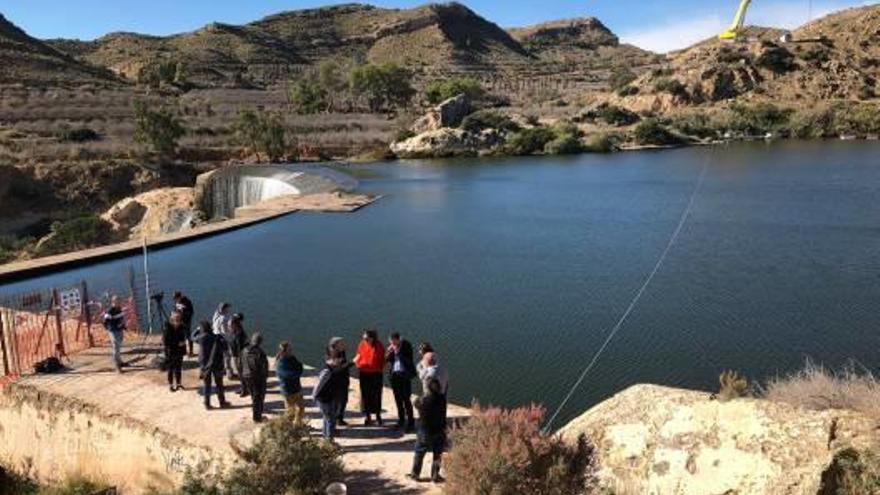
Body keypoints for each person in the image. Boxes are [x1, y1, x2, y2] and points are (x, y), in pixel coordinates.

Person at [407, 378, 448, 483]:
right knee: (437, 453)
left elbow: (415, 403)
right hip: (439, 430)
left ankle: (415, 474)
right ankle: (435, 475)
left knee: (419, 453)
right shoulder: (442, 399)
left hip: (425, 430)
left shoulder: (423, 400)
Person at [313, 349, 349, 440]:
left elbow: (339, 369)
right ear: (333, 359)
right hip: (325, 399)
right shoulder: (327, 371)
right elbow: (318, 385)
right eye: (339, 359)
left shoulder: (332, 368)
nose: (340, 361)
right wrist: (314, 396)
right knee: (330, 420)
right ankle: (329, 441)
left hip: (329, 397)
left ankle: (326, 437)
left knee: (327, 418)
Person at [354, 329, 385, 426]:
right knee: (365, 394)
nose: (365, 340)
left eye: (367, 338)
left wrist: (378, 368)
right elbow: (358, 356)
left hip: (376, 374)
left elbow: (382, 360)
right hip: (364, 373)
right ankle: (368, 416)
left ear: (372, 338)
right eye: (364, 338)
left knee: (377, 394)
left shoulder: (379, 346)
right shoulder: (362, 344)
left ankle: (378, 416)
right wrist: (358, 365)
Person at [386, 331, 416, 432]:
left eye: (393, 342)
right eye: (391, 342)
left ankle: (411, 422)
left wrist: (397, 352)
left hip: (404, 376)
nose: (392, 344)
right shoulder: (392, 347)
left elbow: (409, 361)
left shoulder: (406, 345)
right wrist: (389, 352)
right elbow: (387, 360)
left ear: (398, 339)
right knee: (398, 399)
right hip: (395, 376)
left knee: (406, 400)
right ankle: (401, 420)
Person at [196, 321, 229, 410]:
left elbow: (191, 337)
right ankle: (222, 402)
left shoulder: (201, 338)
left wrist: (197, 330)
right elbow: (225, 347)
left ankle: (207, 404)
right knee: (219, 384)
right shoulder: (217, 337)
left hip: (205, 365)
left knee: (207, 385)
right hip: (217, 363)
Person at [241, 332, 269, 423]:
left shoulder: (244, 350)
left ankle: (257, 412)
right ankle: (257, 418)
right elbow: (264, 367)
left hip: (246, 376)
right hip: (257, 378)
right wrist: (265, 377)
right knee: (258, 396)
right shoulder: (260, 352)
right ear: (260, 342)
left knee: (253, 395)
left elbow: (240, 362)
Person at [275, 341, 305, 425]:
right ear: (284, 351)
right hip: (287, 391)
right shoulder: (280, 362)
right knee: (290, 412)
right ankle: (286, 427)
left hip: (297, 388)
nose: (291, 351)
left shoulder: (292, 358)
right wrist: (297, 373)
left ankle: (297, 425)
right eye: (289, 349)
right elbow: (287, 375)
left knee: (301, 409)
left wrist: (297, 371)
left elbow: (300, 366)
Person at [327, 337, 353, 426]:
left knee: (343, 400)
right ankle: (336, 419)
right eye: (341, 343)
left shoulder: (341, 352)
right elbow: (338, 368)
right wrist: (350, 364)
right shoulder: (332, 354)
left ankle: (339, 418)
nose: (343, 344)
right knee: (338, 400)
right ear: (335, 345)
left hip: (343, 380)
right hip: (337, 381)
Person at [162, 310, 188, 392]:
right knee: (171, 368)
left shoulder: (182, 326)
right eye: (176, 317)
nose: (178, 319)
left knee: (179, 368)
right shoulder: (167, 327)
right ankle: (171, 384)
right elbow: (165, 341)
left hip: (179, 351)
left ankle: (179, 383)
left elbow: (183, 337)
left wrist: (183, 345)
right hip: (171, 351)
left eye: (179, 317)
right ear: (172, 317)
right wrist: (177, 343)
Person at [102, 296, 126, 373]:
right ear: (113, 302)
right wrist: (110, 329)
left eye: (119, 301)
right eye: (117, 302)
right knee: (116, 347)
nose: (119, 303)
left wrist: (123, 326)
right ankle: (117, 366)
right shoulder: (109, 311)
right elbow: (105, 321)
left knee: (118, 346)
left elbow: (121, 318)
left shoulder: (119, 309)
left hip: (119, 330)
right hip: (113, 331)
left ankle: (120, 362)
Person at [229, 313, 249, 395]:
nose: (229, 325)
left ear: (234, 324)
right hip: (237, 355)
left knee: (241, 373)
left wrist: (239, 358)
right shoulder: (238, 331)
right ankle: (243, 387)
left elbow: (239, 347)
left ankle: (245, 390)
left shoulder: (238, 334)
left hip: (239, 356)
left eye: (231, 323)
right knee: (240, 373)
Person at [172, 291, 195, 357]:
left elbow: (191, 312)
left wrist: (184, 318)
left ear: (180, 297)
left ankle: (191, 352)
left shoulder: (187, 302)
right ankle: (183, 351)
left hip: (186, 322)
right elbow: (175, 310)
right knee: (181, 337)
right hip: (179, 322)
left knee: (188, 337)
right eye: (174, 299)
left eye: (176, 298)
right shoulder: (177, 302)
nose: (175, 300)